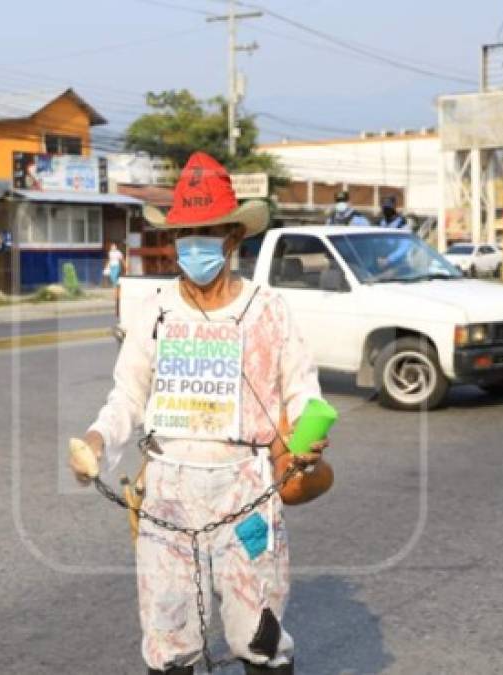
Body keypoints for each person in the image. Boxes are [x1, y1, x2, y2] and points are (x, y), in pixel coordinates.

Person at [70, 152, 329, 675]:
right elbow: (127, 396)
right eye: (186, 233)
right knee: (169, 641)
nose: (196, 245)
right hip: (167, 492)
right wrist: (97, 443)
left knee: (258, 634)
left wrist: (306, 439)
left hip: (247, 491)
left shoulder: (267, 310)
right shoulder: (156, 312)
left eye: (209, 231)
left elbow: (302, 390)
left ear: (233, 237)